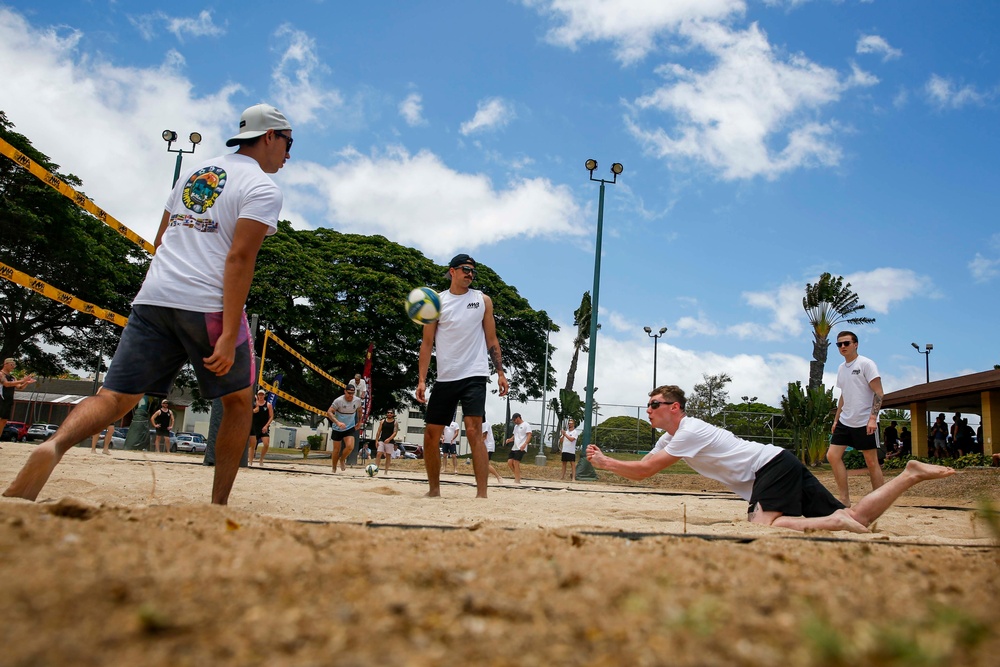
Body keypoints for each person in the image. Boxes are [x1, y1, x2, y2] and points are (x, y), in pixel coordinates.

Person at [4, 103, 292, 505]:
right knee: (240, 400)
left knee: (113, 397)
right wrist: (228, 334)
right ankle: (218, 505)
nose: (289, 153)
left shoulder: (195, 173)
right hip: (207, 305)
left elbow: (160, 241)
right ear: (269, 137)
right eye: (288, 142)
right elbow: (239, 259)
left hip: (154, 298)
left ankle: (52, 446)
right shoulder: (262, 188)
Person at [587, 385, 956, 533]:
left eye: (654, 404)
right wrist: (610, 464)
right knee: (863, 516)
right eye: (649, 404)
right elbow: (640, 473)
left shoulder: (689, 429)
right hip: (778, 465)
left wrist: (607, 464)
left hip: (770, 467)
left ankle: (835, 522)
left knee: (762, 525)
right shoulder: (670, 436)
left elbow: (649, 469)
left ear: (674, 407)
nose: (649, 410)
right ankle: (910, 474)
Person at [415, 253, 508, 498]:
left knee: (474, 430)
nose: (470, 274)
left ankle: (482, 495)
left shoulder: (482, 300)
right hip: (445, 377)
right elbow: (426, 344)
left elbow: (492, 339)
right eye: (465, 269)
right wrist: (422, 380)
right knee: (431, 434)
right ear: (452, 271)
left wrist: (500, 372)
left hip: (474, 374)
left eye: (473, 271)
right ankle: (434, 490)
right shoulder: (435, 302)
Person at [827, 331, 884, 507]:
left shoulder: (866, 364)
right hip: (845, 420)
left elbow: (879, 392)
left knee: (871, 461)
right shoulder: (841, 368)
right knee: (832, 456)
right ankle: (844, 499)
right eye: (839, 344)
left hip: (864, 421)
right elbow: (844, 394)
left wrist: (872, 418)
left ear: (856, 344)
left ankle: (879, 500)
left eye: (846, 343)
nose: (842, 347)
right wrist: (836, 419)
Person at [327, 385, 362, 473]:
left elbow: (360, 410)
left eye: (352, 393)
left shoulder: (357, 400)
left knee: (350, 446)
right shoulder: (338, 401)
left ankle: (342, 460)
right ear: (345, 391)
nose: (351, 395)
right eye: (349, 393)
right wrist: (337, 422)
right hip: (337, 427)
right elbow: (329, 412)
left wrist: (359, 422)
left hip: (349, 427)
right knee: (336, 450)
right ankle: (334, 468)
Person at [1, 358, 35, 439]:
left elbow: (19, 387)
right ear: (5, 364)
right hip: (1, 399)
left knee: (3, 421)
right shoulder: (1, 374)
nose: (13, 367)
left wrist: (26, 382)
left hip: (8, 400)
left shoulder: (12, 377)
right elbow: (6, 384)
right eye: (11, 365)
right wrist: (22, 380)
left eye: (14, 365)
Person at [247, 389, 273, 466]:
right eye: (259, 395)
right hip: (254, 427)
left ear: (264, 396)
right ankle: (250, 462)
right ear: (257, 396)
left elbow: (271, 416)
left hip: (263, 427)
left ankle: (261, 460)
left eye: (262, 395)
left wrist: (266, 426)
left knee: (266, 444)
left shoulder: (268, 405)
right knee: (252, 445)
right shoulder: (255, 404)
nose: (261, 396)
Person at [505, 413, 531, 485]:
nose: (514, 421)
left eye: (515, 420)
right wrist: (510, 439)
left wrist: (525, 444)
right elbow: (515, 435)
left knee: (516, 462)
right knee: (510, 462)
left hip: (521, 446)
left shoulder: (526, 425)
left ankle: (517, 480)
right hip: (515, 447)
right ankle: (518, 475)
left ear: (518, 418)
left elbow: (529, 435)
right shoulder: (516, 427)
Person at [374, 410, 398, 474]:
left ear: (393, 414)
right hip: (382, 439)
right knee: (379, 453)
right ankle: (376, 469)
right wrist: (376, 440)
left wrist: (389, 439)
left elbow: (395, 432)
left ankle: (386, 471)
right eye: (388, 413)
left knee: (388, 456)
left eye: (391, 413)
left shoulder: (395, 422)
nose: (389, 414)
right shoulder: (382, 421)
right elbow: (379, 431)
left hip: (390, 441)